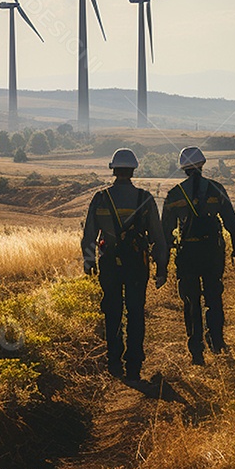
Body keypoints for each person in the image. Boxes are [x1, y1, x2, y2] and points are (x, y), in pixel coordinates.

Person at [82, 149, 168, 381]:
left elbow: (90, 233)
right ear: (133, 170)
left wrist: (89, 261)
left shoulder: (100, 198)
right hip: (137, 264)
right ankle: (134, 364)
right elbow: (158, 237)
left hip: (109, 263)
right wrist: (162, 267)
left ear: (113, 170)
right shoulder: (145, 199)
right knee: (136, 311)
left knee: (112, 311)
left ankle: (114, 362)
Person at [161, 146, 235, 366]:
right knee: (214, 297)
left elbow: (164, 233)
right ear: (203, 164)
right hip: (212, 252)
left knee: (191, 301)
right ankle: (217, 342)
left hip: (187, 254)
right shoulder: (216, 189)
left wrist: (162, 264)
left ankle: (196, 350)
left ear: (183, 168)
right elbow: (232, 222)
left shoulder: (175, 194)